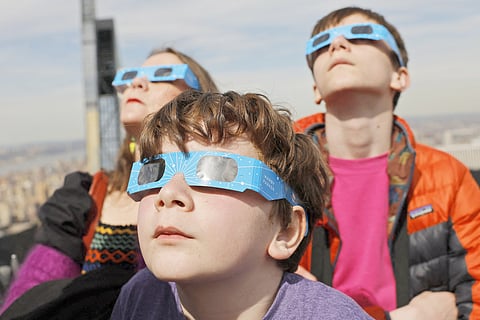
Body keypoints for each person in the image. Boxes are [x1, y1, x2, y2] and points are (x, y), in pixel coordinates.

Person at [110, 90, 373, 320]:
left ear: (286, 230)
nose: (167, 193)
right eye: (154, 174)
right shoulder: (139, 297)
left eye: (216, 173)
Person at [0, 47, 218, 319]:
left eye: (162, 74)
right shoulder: (83, 198)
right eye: (131, 76)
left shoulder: (219, 195)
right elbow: (30, 303)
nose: (137, 83)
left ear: (201, 98)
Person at [294, 6, 480, 320]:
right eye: (321, 44)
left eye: (362, 34)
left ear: (400, 76)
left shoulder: (448, 175)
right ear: (315, 88)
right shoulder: (281, 175)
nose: (337, 44)